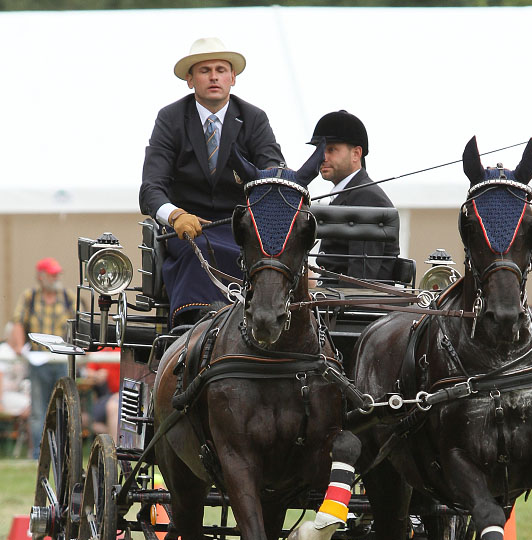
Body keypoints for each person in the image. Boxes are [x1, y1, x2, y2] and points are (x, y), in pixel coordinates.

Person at [140, 37, 285, 326]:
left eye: (221, 69)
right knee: (199, 255)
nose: (214, 76)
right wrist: (176, 215)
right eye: (205, 70)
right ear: (190, 80)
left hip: (243, 229)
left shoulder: (254, 119)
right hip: (189, 231)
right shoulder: (170, 119)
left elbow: (275, 173)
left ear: (233, 78)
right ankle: (192, 332)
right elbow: (150, 188)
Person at [309, 110, 400, 282]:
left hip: (351, 304)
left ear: (356, 154)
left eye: (331, 149)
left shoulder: (367, 199)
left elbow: (360, 279)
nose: (323, 157)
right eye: (320, 150)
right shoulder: (348, 194)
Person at [9, 257, 73, 459]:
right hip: (37, 360)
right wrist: (20, 348)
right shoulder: (30, 297)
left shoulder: (67, 297)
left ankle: (63, 453)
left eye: (56, 274)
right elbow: (18, 322)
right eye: (52, 274)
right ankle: (37, 454)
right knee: (38, 410)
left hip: (61, 360)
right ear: (41, 276)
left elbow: (77, 323)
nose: (55, 278)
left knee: (63, 408)